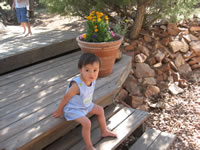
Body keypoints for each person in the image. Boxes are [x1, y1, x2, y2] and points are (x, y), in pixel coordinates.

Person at [52, 53, 117, 150]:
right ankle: (88, 146)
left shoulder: (92, 79)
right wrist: (59, 111)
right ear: (80, 70)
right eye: (87, 70)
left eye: (95, 70)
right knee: (87, 123)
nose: (92, 73)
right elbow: (65, 98)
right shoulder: (77, 86)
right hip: (73, 109)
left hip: (85, 105)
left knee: (100, 110)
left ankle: (104, 131)